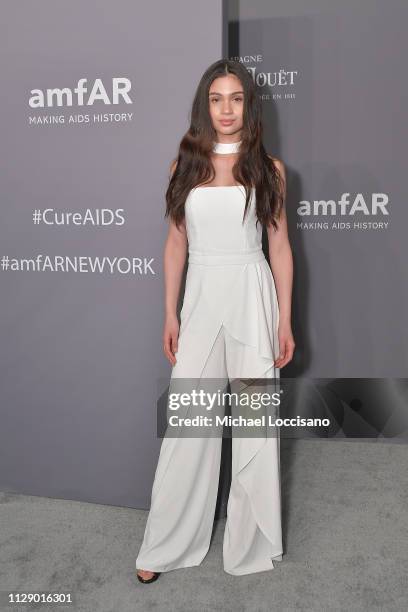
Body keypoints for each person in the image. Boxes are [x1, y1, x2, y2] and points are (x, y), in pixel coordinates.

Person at [136, 59, 295, 583]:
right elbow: (176, 243)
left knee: (253, 424)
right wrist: (170, 312)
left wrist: (285, 321)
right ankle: (165, 544)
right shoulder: (182, 165)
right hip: (200, 300)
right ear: (204, 105)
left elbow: (279, 245)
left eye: (236, 98)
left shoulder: (269, 170)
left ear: (249, 106)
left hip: (253, 296)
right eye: (216, 98)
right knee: (188, 426)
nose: (226, 109)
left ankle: (249, 544)